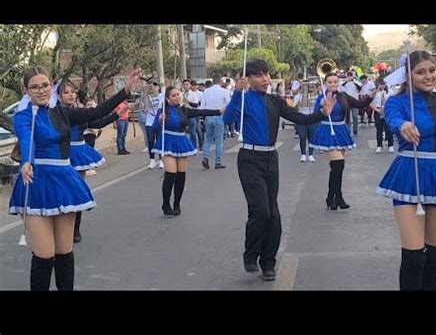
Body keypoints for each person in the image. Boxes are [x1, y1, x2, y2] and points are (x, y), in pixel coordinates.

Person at [8, 66, 139, 290]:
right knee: (44, 254)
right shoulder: (22, 116)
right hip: (36, 183)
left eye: (45, 85)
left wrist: (124, 90)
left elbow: (94, 114)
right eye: (35, 87)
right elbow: (26, 137)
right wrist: (26, 162)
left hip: (64, 181)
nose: (41, 90)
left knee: (64, 252)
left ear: (52, 86)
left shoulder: (62, 112)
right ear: (27, 90)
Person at [223, 59, 334, 281]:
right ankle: (250, 255)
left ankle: (268, 263)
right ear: (248, 78)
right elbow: (227, 119)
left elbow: (300, 118)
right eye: (259, 75)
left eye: (266, 74)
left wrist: (322, 113)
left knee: (273, 214)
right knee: (260, 210)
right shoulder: (243, 99)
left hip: (270, 158)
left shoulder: (275, 101)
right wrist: (236, 93)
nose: (265, 79)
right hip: (249, 159)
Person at [376, 51, 436, 291]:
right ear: (408, 76)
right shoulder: (397, 102)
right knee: (413, 257)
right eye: (420, 72)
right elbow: (392, 117)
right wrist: (403, 124)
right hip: (411, 177)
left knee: (434, 256)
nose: (428, 76)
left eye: (432, 70)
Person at [58, 81, 125, 243]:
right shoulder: (55, 114)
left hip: (79, 152)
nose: (71, 94)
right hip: (63, 154)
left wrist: (116, 115)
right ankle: (60, 226)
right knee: (62, 191)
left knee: (77, 189)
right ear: (59, 96)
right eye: (66, 92)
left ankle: (75, 228)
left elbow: (97, 122)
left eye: (72, 91)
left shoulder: (80, 113)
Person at [152, 86, 222, 217]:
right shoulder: (163, 110)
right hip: (167, 142)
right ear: (167, 98)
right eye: (173, 95)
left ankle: (177, 203)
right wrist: (160, 119)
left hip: (181, 141)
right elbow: (155, 127)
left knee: (181, 175)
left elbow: (201, 112)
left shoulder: (184, 110)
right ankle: (165, 204)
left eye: (178, 94)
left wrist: (218, 111)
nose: (177, 97)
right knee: (171, 174)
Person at [309, 73, 373, 211]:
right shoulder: (322, 97)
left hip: (341, 130)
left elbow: (360, 104)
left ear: (338, 82)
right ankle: (338, 197)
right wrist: (322, 107)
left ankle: (331, 197)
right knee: (337, 165)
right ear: (325, 83)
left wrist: (371, 96)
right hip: (327, 130)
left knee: (338, 168)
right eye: (330, 82)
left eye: (335, 82)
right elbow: (315, 115)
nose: (333, 84)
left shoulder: (343, 97)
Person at [369, 79, 395, 154]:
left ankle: (390, 145)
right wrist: (377, 110)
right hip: (378, 110)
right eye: (380, 84)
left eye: (383, 84)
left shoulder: (389, 91)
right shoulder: (375, 92)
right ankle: (379, 146)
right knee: (379, 129)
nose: (382, 85)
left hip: (387, 111)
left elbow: (393, 101)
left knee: (388, 128)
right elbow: (370, 102)